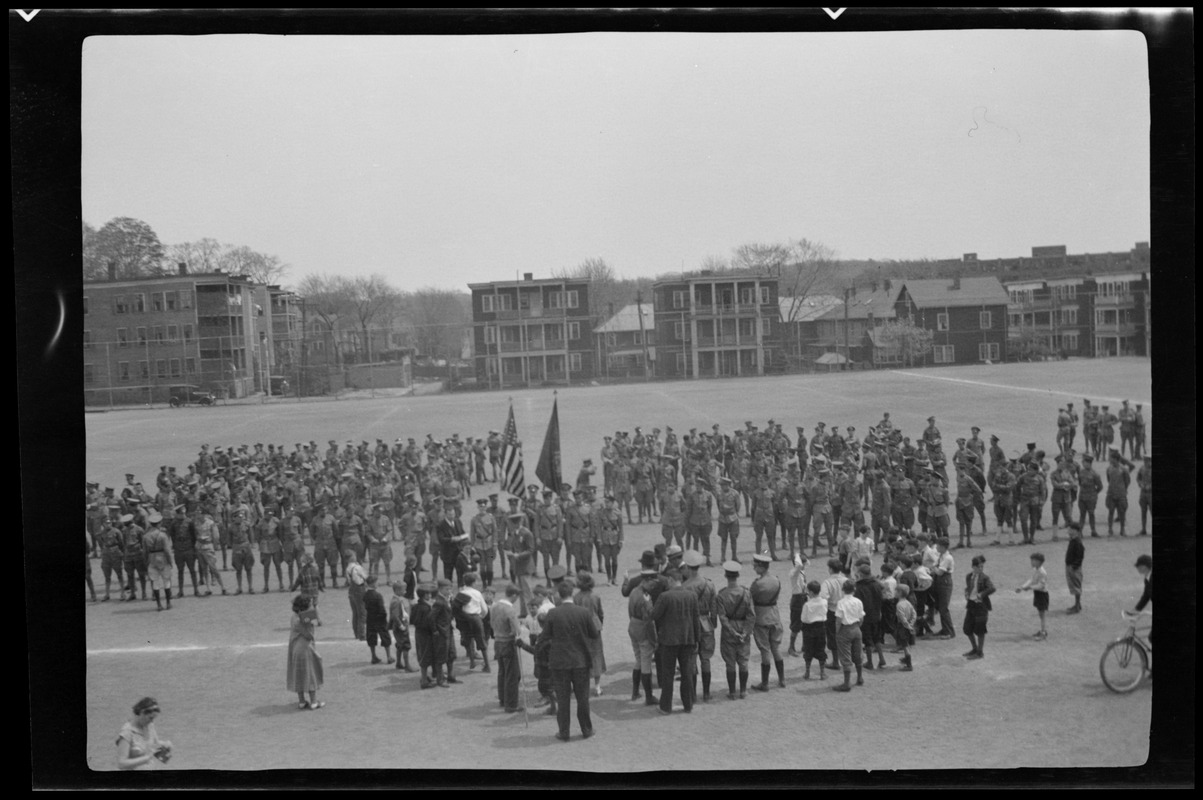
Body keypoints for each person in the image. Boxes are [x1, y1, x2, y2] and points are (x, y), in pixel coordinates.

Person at [545, 580, 600, 741]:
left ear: (559, 595)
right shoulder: (583, 612)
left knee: (563, 699)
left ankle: (564, 732)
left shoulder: (553, 613)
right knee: (582, 698)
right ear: (572, 593)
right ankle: (586, 729)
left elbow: (546, 636)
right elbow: (594, 634)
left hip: (560, 662)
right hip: (580, 661)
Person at [649, 568, 702, 714]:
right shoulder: (692, 595)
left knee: (668, 675)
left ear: (671, 580)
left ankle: (665, 706)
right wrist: (697, 639)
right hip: (688, 640)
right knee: (686, 674)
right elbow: (695, 619)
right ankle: (688, 704)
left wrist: (648, 604)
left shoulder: (665, 596)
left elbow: (654, 615)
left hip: (669, 641)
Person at [749, 552, 786, 691]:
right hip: (774, 616)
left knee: (765, 651)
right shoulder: (776, 580)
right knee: (776, 648)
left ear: (761, 567)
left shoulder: (757, 584)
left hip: (761, 618)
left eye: (755, 566)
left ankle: (765, 684)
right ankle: (782, 680)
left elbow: (750, 599)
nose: (754, 568)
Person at [627, 566, 660, 705]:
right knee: (646, 663)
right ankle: (649, 696)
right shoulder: (645, 597)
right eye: (652, 582)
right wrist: (655, 639)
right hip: (643, 628)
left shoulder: (634, 592)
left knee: (638, 660)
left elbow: (629, 611)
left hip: (633, 625)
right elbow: (649, 618)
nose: (653, 585)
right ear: (646, 580)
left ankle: (635, 691)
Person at [490, 582, 524, 713]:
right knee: (512, 675)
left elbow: (492, 623)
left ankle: (503, 699)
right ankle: (511, 704)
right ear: (514, 595)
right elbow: (517, 631)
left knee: (502, 672)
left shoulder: (495, 606)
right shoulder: (510, 609)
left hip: (497, 641)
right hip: (508, 643)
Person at [573, 571, 607, 697]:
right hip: (595, 627)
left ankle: (584, 685)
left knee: (583, 655)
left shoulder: (576, 597)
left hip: (581, 628)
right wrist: (599, 623)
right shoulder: (595, 596)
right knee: (597, 654)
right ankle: (597, 686)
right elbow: (601, 613)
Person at [115, 697, 173, 770]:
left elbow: (154, 744)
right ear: (141, 713)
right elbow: (121, 764)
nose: (152, 721)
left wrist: (164, 745)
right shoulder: (127, 733)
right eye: (150, 718)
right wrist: (146, 759)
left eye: (153, 718)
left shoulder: (149, 726)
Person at [832, 580, 865, 692]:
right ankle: (860, 677)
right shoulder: (858, 601)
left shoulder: (841, 603)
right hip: (856, 628)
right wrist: (858, 626)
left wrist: (837, 632)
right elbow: (861, 617)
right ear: (854, 589)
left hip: (845, 629)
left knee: (845, 656)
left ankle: (847, 683)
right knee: (858, 654)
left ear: (843, 590)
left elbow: (838, 620)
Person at [962, 555, 996, 660]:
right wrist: (966, 593)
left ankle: (980, 652)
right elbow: (968, 587)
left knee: (980, 630)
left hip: (981, 606)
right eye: (979, 567)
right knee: (967, 628)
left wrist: (981, 594)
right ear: (973, 567)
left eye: (982, 567)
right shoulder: (969, 576)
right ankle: (975, 648)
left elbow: (992, 588)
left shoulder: (984, 578)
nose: (981, 569)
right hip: (971, 604)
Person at [141, 512, 175, 611]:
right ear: (159, 523)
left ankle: (159, 604)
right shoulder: (163, 535)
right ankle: (168, 603)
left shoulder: (146, 536)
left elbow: (145, 552)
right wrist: (170, 561)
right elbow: (167, 550)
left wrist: (146, 562)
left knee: (155, 583)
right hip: (163, 558)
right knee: (166, 581)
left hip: (152, 559)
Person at [799, 579, 828, 680]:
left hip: (809, 629)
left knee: (808, 650)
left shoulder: (807, 605)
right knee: (821, 649)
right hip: (821, 627)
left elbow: (803, 618)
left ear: (810, 592)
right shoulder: (824, 602)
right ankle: (822, 672)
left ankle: (807, 672)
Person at [363, 575, 393, 665]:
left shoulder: (366, 595)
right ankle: (389, 657)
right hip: (379, 619)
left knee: (371, 638)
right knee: (385, 637)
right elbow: (382, 609)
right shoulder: (378, 595)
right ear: (372, 584)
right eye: (376, 582)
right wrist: (385, 620)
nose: (378, 583)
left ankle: (373, 656)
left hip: (370, 618)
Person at [290, 554, 324, 625]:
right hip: (314, 590)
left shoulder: (302, 571)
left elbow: (298, 581)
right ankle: (319, 620)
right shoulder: (315, 569)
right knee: (315, 605)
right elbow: (319, 579)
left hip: (305, 592)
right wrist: (321, 588)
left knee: (306, 607)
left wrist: (293, 588)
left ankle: (308, 621)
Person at [932, 538, 956, 639]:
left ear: (942, 547)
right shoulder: (941, 555)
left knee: (944, 608)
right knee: (940, 606)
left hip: (944, 582)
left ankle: (950, 631)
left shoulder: (947, 558)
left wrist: (934, 568)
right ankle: (945, 629)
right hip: (940, 581)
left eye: (938, 546)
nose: (936, 547)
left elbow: (939, 572)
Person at [786, 553, 809, 657]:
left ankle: (804, 645)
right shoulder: (794, 572)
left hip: (803, 597)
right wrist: (796, 555)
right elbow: (799, 565)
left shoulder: (802, 572)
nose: (805, 565)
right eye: (803, 563)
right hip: (797, 599)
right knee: (796, 623)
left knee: (805, 622)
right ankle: (791, 647)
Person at [389, 581, 415, 672]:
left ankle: (399, 663)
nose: (405, 591)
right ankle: (407, 666)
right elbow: (395, 616)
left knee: (400, 645)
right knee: (405, 646)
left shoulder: (397, 599)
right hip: (400, 627)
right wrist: (401, 626)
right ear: (397, 590)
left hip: (399, 626)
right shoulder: (396, 601)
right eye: (404, 589)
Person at [1129, 555, 1152, 648]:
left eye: (1138, 566)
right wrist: (1136, 609)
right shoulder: (1147, 578)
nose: (1137, 568)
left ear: (1144, 567)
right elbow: (1146, 596)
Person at [344, 551, 368, 641]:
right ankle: (362, 634)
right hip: (359, 589)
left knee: (355, 613)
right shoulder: (357, 567)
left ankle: (356, 633)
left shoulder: (347, 568)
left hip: (351, 590)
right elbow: (365, 577)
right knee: (362, 613)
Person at [894, 584, 916, 671]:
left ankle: (909, 664)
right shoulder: (908, 603)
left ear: (900, 593)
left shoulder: (899, 605)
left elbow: (902, 618)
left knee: (905, 645)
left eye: (896, 591)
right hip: (909, 625)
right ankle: (906, 659)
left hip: (903, 627)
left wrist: (907, 625)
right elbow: (914, 614)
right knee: (906, 644)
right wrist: (911, 624)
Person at [1064, 523, 1085, 613]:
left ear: (1076, 531)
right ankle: (1077, 605)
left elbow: (1080, 556)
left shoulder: (1077, 542)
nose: (1068, 530)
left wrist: (1074, 566)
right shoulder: (1073, 540)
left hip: (1073, 567)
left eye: (1070, 529)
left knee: (1076, 586)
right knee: (1074, 585)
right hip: (1071, 566)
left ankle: (1077, 606)